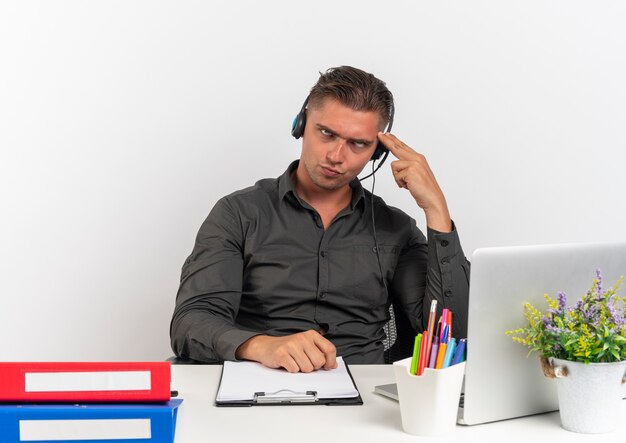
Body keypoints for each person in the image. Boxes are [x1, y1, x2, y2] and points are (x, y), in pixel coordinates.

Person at [170, 66, 470, 372]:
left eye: (358, 144)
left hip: (366, 396)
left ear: (377, 153)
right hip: (262, 385)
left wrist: (436, 210)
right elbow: (191, 323)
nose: (337, 155)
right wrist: (261, 345)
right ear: (301, 125)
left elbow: (450, 338)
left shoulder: (397, 230)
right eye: (326, 133)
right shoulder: (239, 214)